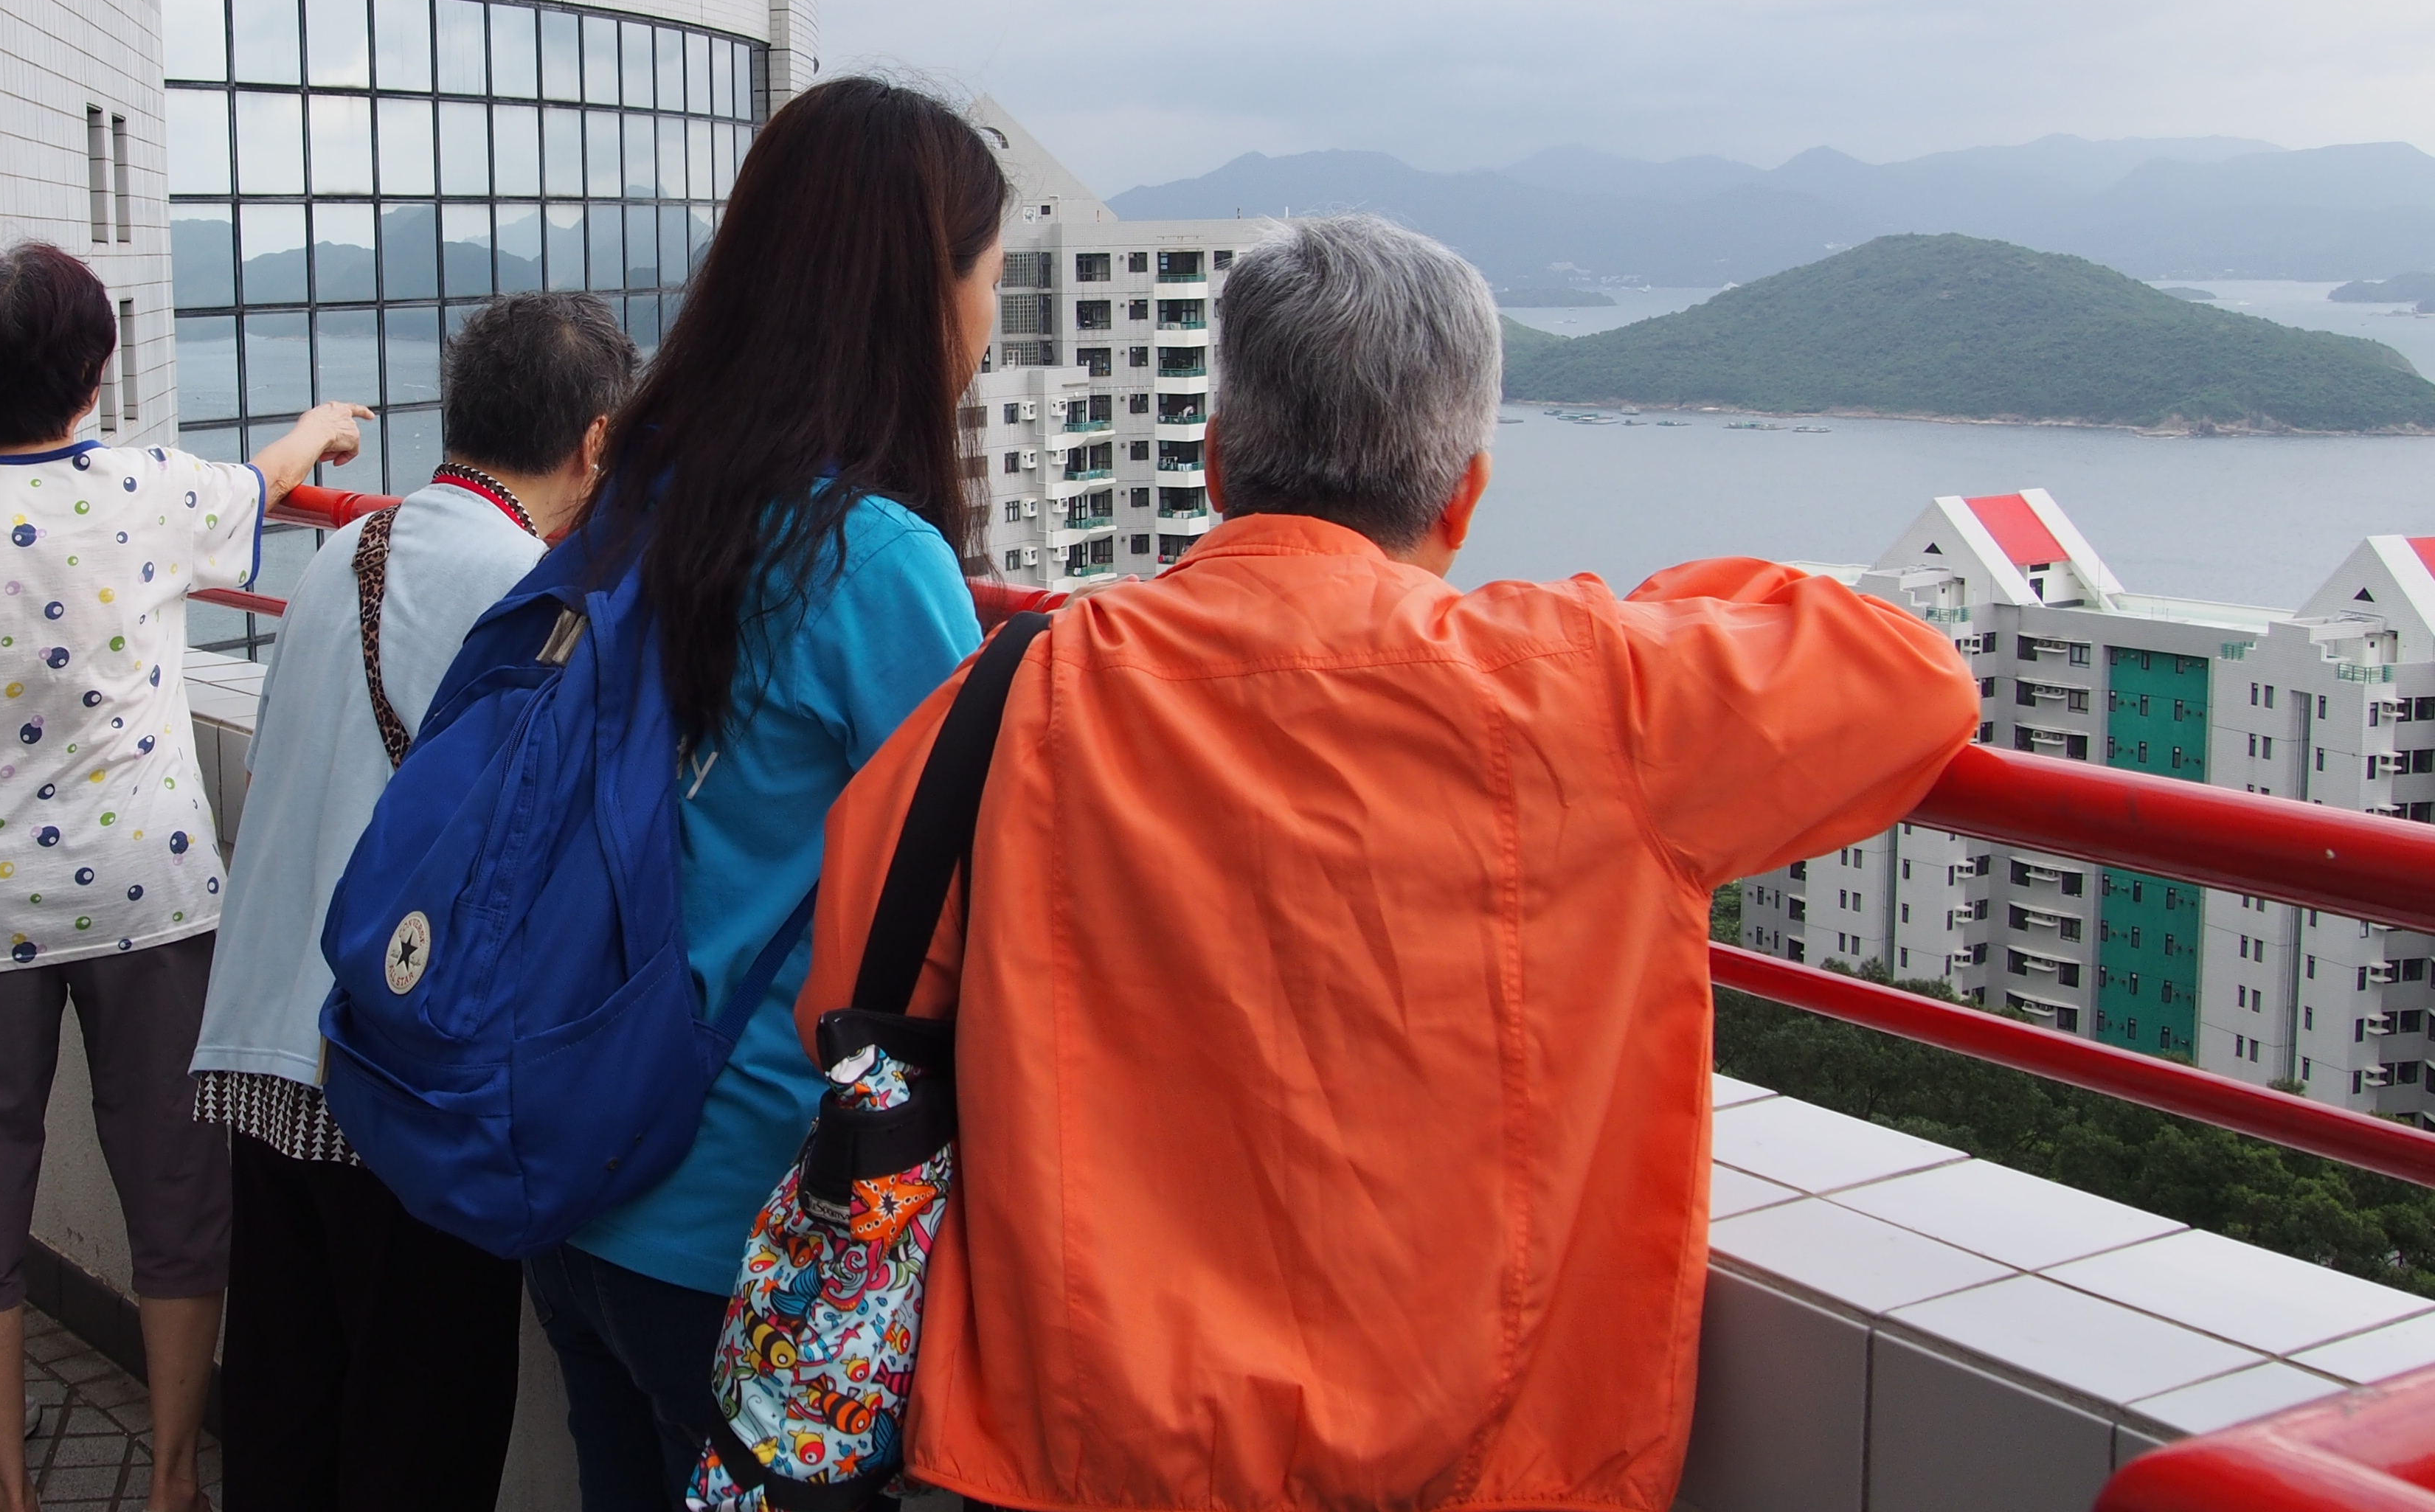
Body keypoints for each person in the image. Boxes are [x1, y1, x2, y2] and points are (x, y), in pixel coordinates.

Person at [799, 215, 1984, 1512]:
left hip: (1088, 1457)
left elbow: (851, 1005)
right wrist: (1656, 602)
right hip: (1482, 1469)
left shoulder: (1015, 694)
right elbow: (1916, 679)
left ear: (1213, 464)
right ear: (1465, 493)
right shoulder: (1590, 691)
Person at [0, 241, 367, 1512]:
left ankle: (10, 1495)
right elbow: (266, 485)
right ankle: (171, 1479)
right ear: (98, 365)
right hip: (146, 894)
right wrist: (320, 428)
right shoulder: (151, 488)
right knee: (176, 1191)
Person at [522, 76, 1008, 1508]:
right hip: (746, 1229)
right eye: (986, 272)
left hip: (578, 1175)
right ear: (922, 291)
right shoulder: (875, 559)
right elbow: (977, 882)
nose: (989, 313)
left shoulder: (634, 502)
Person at [192, 291, 637, 1512]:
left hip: (267, 1054)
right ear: (596, 443)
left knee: (285, 1417)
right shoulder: (533, 596)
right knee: (419, 1436)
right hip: (398, 1083)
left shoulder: (352, 547)